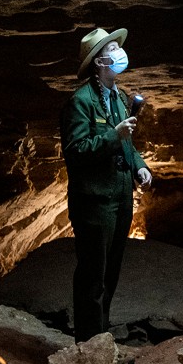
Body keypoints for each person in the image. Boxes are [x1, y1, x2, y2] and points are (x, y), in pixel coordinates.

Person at [59, 27, 152, 341]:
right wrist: (114, 136)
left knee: (110, 273)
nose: (119, 52)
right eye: (112, 48)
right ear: (99, 62)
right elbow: (76, 152)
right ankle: (88, 344)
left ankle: (102, 337)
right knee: (92, 276)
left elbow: (128, 144)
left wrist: (139, 167)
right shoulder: (80, 103)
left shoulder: (121, 98)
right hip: (95, 202)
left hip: (120, 197)